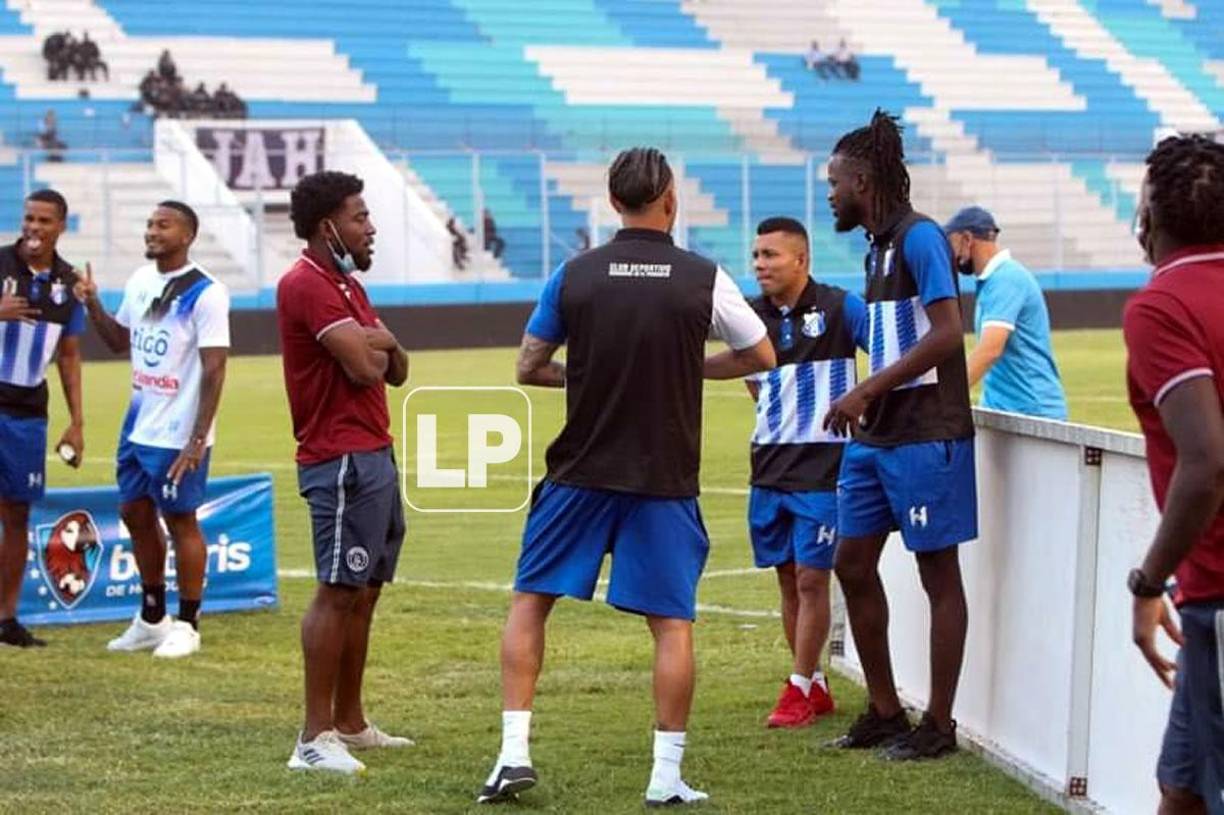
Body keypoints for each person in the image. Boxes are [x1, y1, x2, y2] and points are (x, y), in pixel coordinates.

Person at [477, 147, 775, 807]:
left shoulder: (574, 274)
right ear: (670, 197)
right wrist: (686, 369)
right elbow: (761, 352)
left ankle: (512, 755)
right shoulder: (704, 276)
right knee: (671, 624)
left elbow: (528, 366)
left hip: (579, 470)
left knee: (531, 600)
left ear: (614, 202)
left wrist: (579, 378)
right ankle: (665, 776)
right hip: (663, 477)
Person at [823, 109, 976, 760]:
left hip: (924, 433)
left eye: (834, 182)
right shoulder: (877, 244)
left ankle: (938, 724)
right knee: (851, 563)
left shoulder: (920, 239)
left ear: (862, 179)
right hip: (877, 437)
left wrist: (866, 388)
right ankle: (886, 710)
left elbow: (948, 334)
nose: (829, 193)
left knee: (936, 572)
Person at [278, 171, 411, 775]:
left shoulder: (349, 287)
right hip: (339, 459)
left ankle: (351, 723)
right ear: (328, 226)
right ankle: (312, 736)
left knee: (365, 590)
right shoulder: (307, 285)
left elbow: (398, 366)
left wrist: (383, 341)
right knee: (338, 588)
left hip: (373, 450)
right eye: (360, 217)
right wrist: (379, 345)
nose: (371, 227)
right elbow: (364, 367)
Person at [76, 201, 230, 660]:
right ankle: (151, 618)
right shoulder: (141, 281)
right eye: (149, 224)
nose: (151, 232)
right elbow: (119, 341)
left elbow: (216, 367)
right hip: (138, 424)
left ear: (187, 235)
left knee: (181, 520)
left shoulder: (206, 292)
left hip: (178, 433)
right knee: (134, 514)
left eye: (163, 225)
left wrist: (198, 438)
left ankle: (189, 624)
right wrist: (93, 303)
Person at [1122, 133, 1224, 815]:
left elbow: (1206, 462)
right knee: (1181, 787)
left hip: (1216, 588)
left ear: (1149, 219)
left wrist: (1148, 580)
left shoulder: (1161, 305)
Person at [744, 217, 869, 728]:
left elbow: (886, 358)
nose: (759, 265)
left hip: (824, 469)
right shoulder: (749, 317)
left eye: (770, 255)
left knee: (814, 578)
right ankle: (812, 682)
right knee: (788, 581)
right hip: (770, 466)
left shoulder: (842, 307)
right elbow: (755, 384)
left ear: (801, 259)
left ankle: (796, 688)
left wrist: (861, 401)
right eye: (755, 256)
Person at [0, 190, 85, 648]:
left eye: (44, 220)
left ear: (60, 227)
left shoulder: (69, 283)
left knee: (16, 514)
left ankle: (5, 619)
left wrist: (77, 422)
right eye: (28, 218)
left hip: (27, 413)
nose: (33, 227)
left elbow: (69, 358)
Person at [944, 205, 1067, 420]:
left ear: (967, 239)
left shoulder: (1006, 279)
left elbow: (990, 350)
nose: (949, 255)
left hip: (1032, 411)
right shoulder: (995, 281)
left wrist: (945, 395)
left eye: (951, 244)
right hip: (1004, 409)